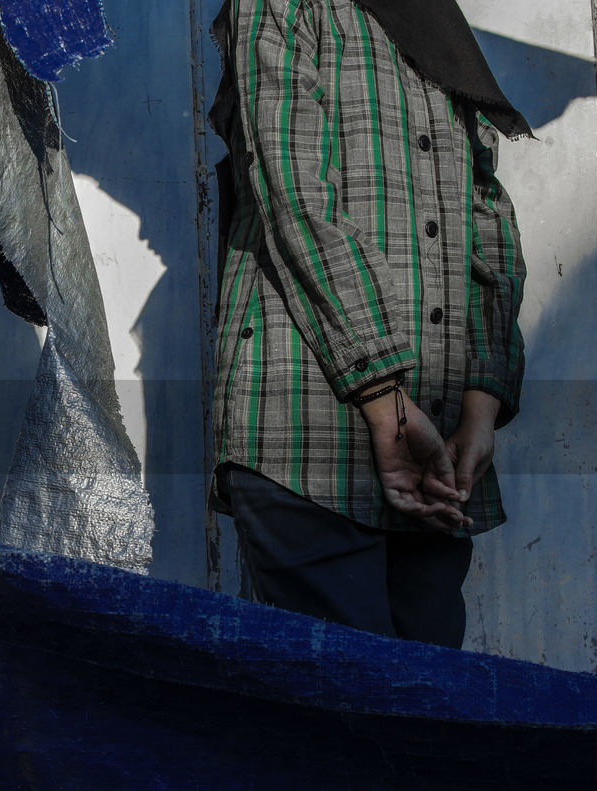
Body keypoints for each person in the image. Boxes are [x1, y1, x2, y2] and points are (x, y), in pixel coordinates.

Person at [208, 0, 529, 648]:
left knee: (426, 721)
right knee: (341, 721)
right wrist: (386, 403)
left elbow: (488, 218)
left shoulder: (440, 27)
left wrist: (480, 404)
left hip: (438, 448)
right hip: (308, 433)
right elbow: (296, 197)